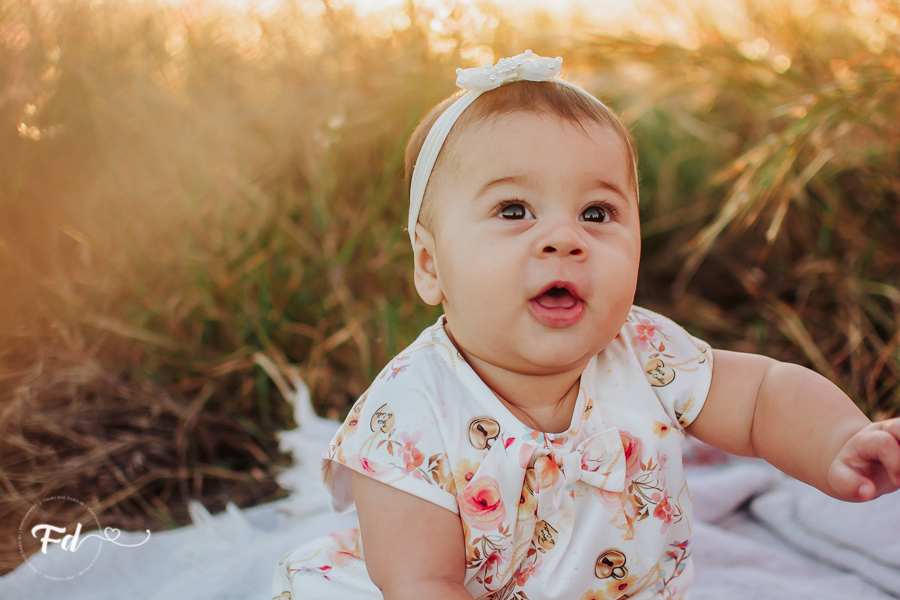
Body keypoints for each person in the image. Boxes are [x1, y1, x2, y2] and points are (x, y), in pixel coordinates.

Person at [272, 50, 900, 600]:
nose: (564, 239)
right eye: (514, 209)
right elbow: (420, 584)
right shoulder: (407, 416)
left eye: (597, 212)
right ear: (431, 266)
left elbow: (762, 398)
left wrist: (838, 441)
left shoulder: (644, 352)